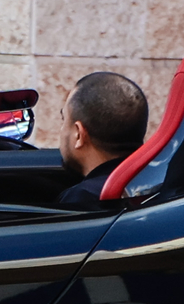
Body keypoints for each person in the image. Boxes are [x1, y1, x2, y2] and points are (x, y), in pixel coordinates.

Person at [55, 71, 149, 208]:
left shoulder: (82, 199)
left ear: (78, 135)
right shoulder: (152, 183)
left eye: (64, 120)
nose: (62, 130)